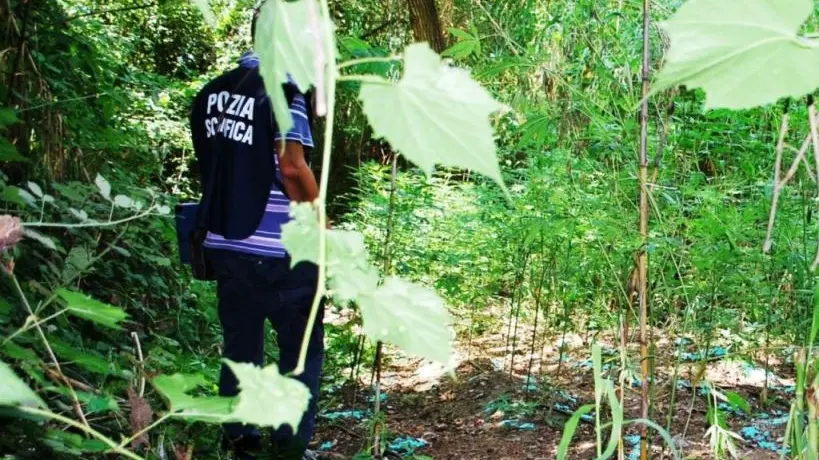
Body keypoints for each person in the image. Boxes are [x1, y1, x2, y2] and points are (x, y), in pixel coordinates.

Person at [188, 5, 324, 460]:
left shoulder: (214, 92)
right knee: (300, 352)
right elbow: (291, 166)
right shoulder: (283, 91)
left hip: (225, 243)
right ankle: (288, 447)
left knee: (241, 349)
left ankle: (239, 443)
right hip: (281, 250)